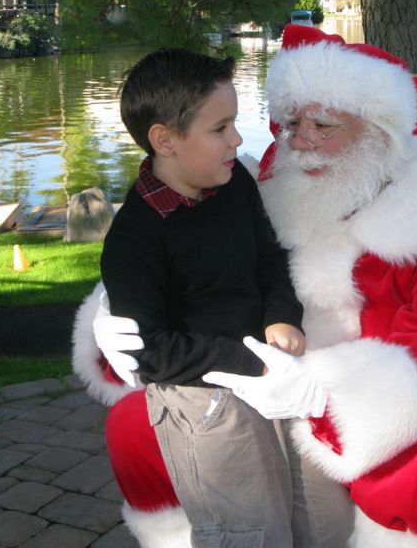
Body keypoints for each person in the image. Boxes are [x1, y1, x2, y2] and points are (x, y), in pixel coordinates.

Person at [73, 25, 417, 548]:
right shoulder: (262, 177)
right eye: (292, 121)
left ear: (377, 129)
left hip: (358, 385)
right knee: (134, 426)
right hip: (244, 361)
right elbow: (189, 256)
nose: (301, 141)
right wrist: (114, 310)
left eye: (322, 124)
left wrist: (322, 393)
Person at [93, 46, 333, 547]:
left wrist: (282, 317)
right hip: (203, 399)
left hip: (272, 367)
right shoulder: (135, 239)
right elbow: (151, 351)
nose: (238, 139)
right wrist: (251, 363)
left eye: (235, 124)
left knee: (320, 515)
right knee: (248, 532)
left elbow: (269, 256)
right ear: (165, 140)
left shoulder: (234, 184)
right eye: (220, 128)